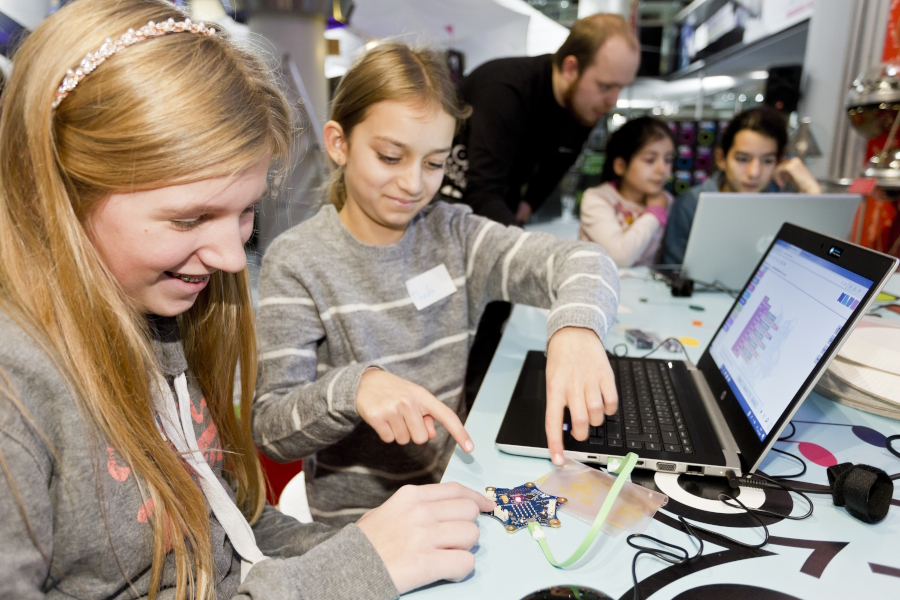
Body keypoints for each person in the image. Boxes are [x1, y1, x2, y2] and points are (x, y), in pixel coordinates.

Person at [0, 1, 494, 598]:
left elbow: (232, 528)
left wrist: (365, 549)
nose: (234, 259)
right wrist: (352, 568)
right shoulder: (17, 389)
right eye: (189, 219)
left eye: (246, 214)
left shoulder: (161, 310)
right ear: (57, 190)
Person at [253, 43, 620, 526]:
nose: (412, 184)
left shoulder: (456, 234)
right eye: (390, 156)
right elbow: (272, 427)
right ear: (338, 143)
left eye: (433, 163)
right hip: (362, 525)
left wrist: (576, 329)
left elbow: (584, 260)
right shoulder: (298, 260)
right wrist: (354, 389)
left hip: (458, 488)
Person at [439, 13, 640, 408]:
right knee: (450, 346)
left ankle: (478, 406)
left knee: (492, 330)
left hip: (495, 213)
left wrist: (524, 210)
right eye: (605, 85)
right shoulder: (505, 90)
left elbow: (553, 171)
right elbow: (483, 192)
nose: (613, 100)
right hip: (449, 223)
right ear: (570, 67)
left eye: (621, 87)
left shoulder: (582, 110)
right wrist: (528, 257)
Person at [660, 106, 823, 265]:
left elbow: (816, 264)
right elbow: (673, 272)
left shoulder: (785, 202)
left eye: (767, 161)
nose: (754, 173)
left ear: (779, 162)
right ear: (721, 158)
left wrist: (812, 190)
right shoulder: (691, 203)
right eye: (743, 159)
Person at [579, 117, 675, 267]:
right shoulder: (597, 199)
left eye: (668, 160)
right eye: (650, 160)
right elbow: (620, 257)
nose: (662, 170)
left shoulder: (667, 201)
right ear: (620, 166)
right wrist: (654, 213)